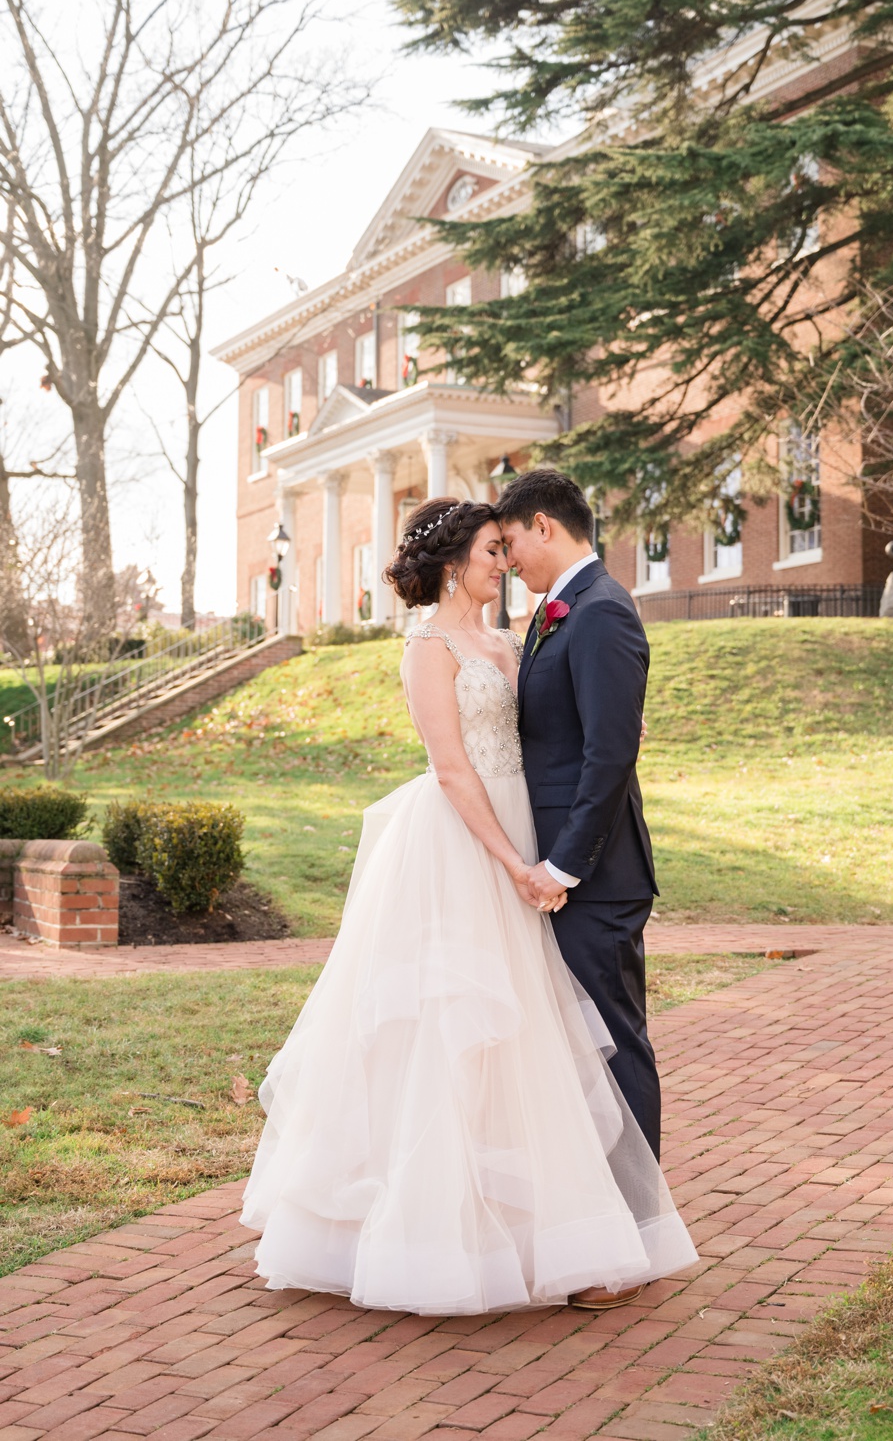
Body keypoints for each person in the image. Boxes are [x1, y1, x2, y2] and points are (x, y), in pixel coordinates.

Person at [241, 496, 697, 1315]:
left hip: (534, 843)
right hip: (466, 845)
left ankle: (557, 1229)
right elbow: (452, 770)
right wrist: (515, 861)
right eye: (492, 550)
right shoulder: (427, 644)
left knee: (535, 1039)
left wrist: (543, 859)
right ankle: (436, 1231)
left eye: (507, 546)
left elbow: (579, 741)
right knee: (450, 1034)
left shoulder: (515, 637)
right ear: (457, 560)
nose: (504, 561)